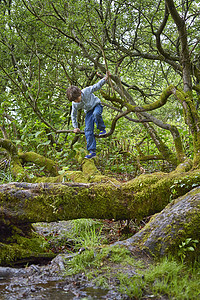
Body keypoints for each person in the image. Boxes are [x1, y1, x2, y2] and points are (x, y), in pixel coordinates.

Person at [66, 72, 110, 159]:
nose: (76, 101)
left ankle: (102, 129)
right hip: (89, 111)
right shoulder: (74, 104)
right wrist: (75, 127)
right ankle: (92, 151)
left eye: (77, 99)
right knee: (88, 129)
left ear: (79, 93)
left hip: (96, 106)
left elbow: (96, 86)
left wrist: (105, 78)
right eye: (74, 100)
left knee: (96, 114)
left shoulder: (86, 91)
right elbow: (73, 115)